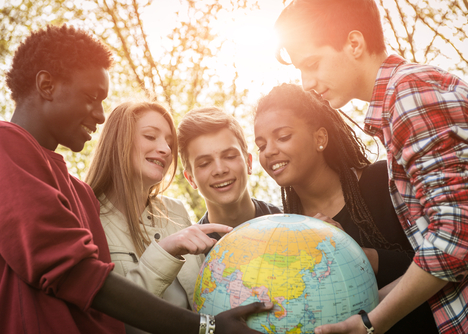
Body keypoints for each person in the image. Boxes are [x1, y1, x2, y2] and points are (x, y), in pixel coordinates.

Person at [0, 24, 272, 334]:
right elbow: (77, 274)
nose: (100, 115)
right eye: (92, 97)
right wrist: (207, 328)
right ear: (47, 85)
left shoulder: (80, 193)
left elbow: (101, 314)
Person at [274, 0, 468, 333]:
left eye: (312, 63)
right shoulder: (401, 100)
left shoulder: (409, 96)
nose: (306, 82)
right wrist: (359, 310)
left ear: (354, 43)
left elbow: (454, 241)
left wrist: (369, 324)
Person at [254, 83, 438, 333]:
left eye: (283, 137)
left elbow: (442, 260)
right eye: (261, 145)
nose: (270, 151)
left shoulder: (384, 181)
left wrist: (348, 251)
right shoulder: (285, 227)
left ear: (320, 138)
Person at [85, 101, 232, 333]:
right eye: (151, 136)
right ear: (118, 141)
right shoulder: (86, 217)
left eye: (169, 143)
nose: (165, 149)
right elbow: (105, 319)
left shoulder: (176, 211)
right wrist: (165, 251)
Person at [177, 107, 282, 243]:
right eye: (204, 163)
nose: (220, 170)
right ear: (191, 179)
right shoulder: (189, 256)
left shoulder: (291, 224)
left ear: (249, 163)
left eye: (230, 156)